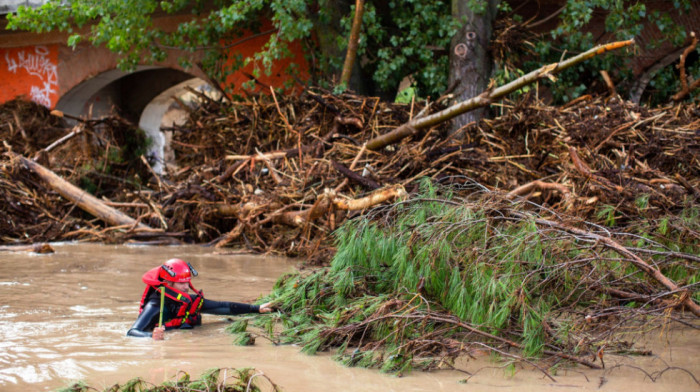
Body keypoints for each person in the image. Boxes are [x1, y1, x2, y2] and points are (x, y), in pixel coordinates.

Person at [127, 258, 272, 339]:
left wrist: (257, 308)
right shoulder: (155, 305)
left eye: (187, 282)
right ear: (168, 283)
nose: (186, 287)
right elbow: (132, 332)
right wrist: (151, 337)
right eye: (181, 283)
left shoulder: (187, 301)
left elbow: (221, 307)